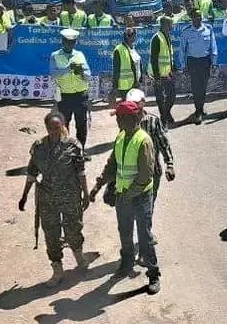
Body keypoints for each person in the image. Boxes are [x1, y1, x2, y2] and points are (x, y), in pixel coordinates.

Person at [89, 101, 160, 294]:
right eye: (118, 118)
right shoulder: (121, 137)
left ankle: (153, 273)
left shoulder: (143, 140)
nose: (118, 121)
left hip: (140, 196)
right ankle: (126, 263)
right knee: (125, 232)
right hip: (123, 195)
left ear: (132, 118)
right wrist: (97, 185)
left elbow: (145, 176)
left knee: (144, 236)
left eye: (120, 118)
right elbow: (112, 164)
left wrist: (128, 195)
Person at [18, 112, 90, 287]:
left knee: (73, 229)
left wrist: (86, 194)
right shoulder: (39, 147)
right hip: (47, 198)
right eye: (50, 128)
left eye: (57, 128)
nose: (53, 132)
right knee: (51, 234)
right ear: (46, 128)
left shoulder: (73, 146)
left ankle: (80, 258)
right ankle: (57, 270)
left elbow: (81, 172)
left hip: (70, 196)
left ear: (63, 126)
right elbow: (32, 173)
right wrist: (24, 196)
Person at [125, 89, 175, 230]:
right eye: (130, 103)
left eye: (136, 103)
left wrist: (169, 164)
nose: (133, 106)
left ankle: (146, 232)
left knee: (148, 205)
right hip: (131, 174)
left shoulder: (153, 122)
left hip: (152, 172)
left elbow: (163, 143)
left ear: (143, 103)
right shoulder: (125, 122)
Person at [50, 29, 91, 152]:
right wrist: (68, 68)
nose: (70, 44)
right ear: (63, 41)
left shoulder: (80, 54)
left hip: (80, 95)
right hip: (64, 96)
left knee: (81, 125)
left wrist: (82, 72)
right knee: (64, 125)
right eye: (68, 42)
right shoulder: (55, 55)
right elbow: (54, 74)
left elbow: (88, 74)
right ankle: (64, 151)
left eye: (73, 42)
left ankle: (80, 150)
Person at [179, 8, 217, 125]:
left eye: (200, 16)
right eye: (196, 17)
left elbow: (213, 46)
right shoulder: (186, 31)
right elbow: (182, 50)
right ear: (192, 18)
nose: (198, 19)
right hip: (193, 62)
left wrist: (214, 62)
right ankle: (198, 112)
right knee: (196, 87)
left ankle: (201, 107)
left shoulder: (208, 29)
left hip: (205, 61)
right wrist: (183, 65)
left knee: (204, 86)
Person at [148, 16, 176, 128]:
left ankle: (166, 113)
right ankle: (164, 119)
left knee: (172, 95)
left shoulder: (167, 36)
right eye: (170, 24)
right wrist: (157, 77)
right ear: (164, 25)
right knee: (160, 98)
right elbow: (154, 59)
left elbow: (169, 56)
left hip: (167, 73)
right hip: (158, 74)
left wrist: (172, 69)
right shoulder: (157, 38)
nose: (172, 26)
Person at [113, 27, 141, 101]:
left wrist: (139, 80)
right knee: (128, 107)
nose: (132, 37)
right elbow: (116, 69)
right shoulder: (119, 49)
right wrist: (115, 86)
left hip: (134, 83)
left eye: (133, 35)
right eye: (130, 35)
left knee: (134, 106)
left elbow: (137, 65)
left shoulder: (132, 48)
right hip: (125, 86)